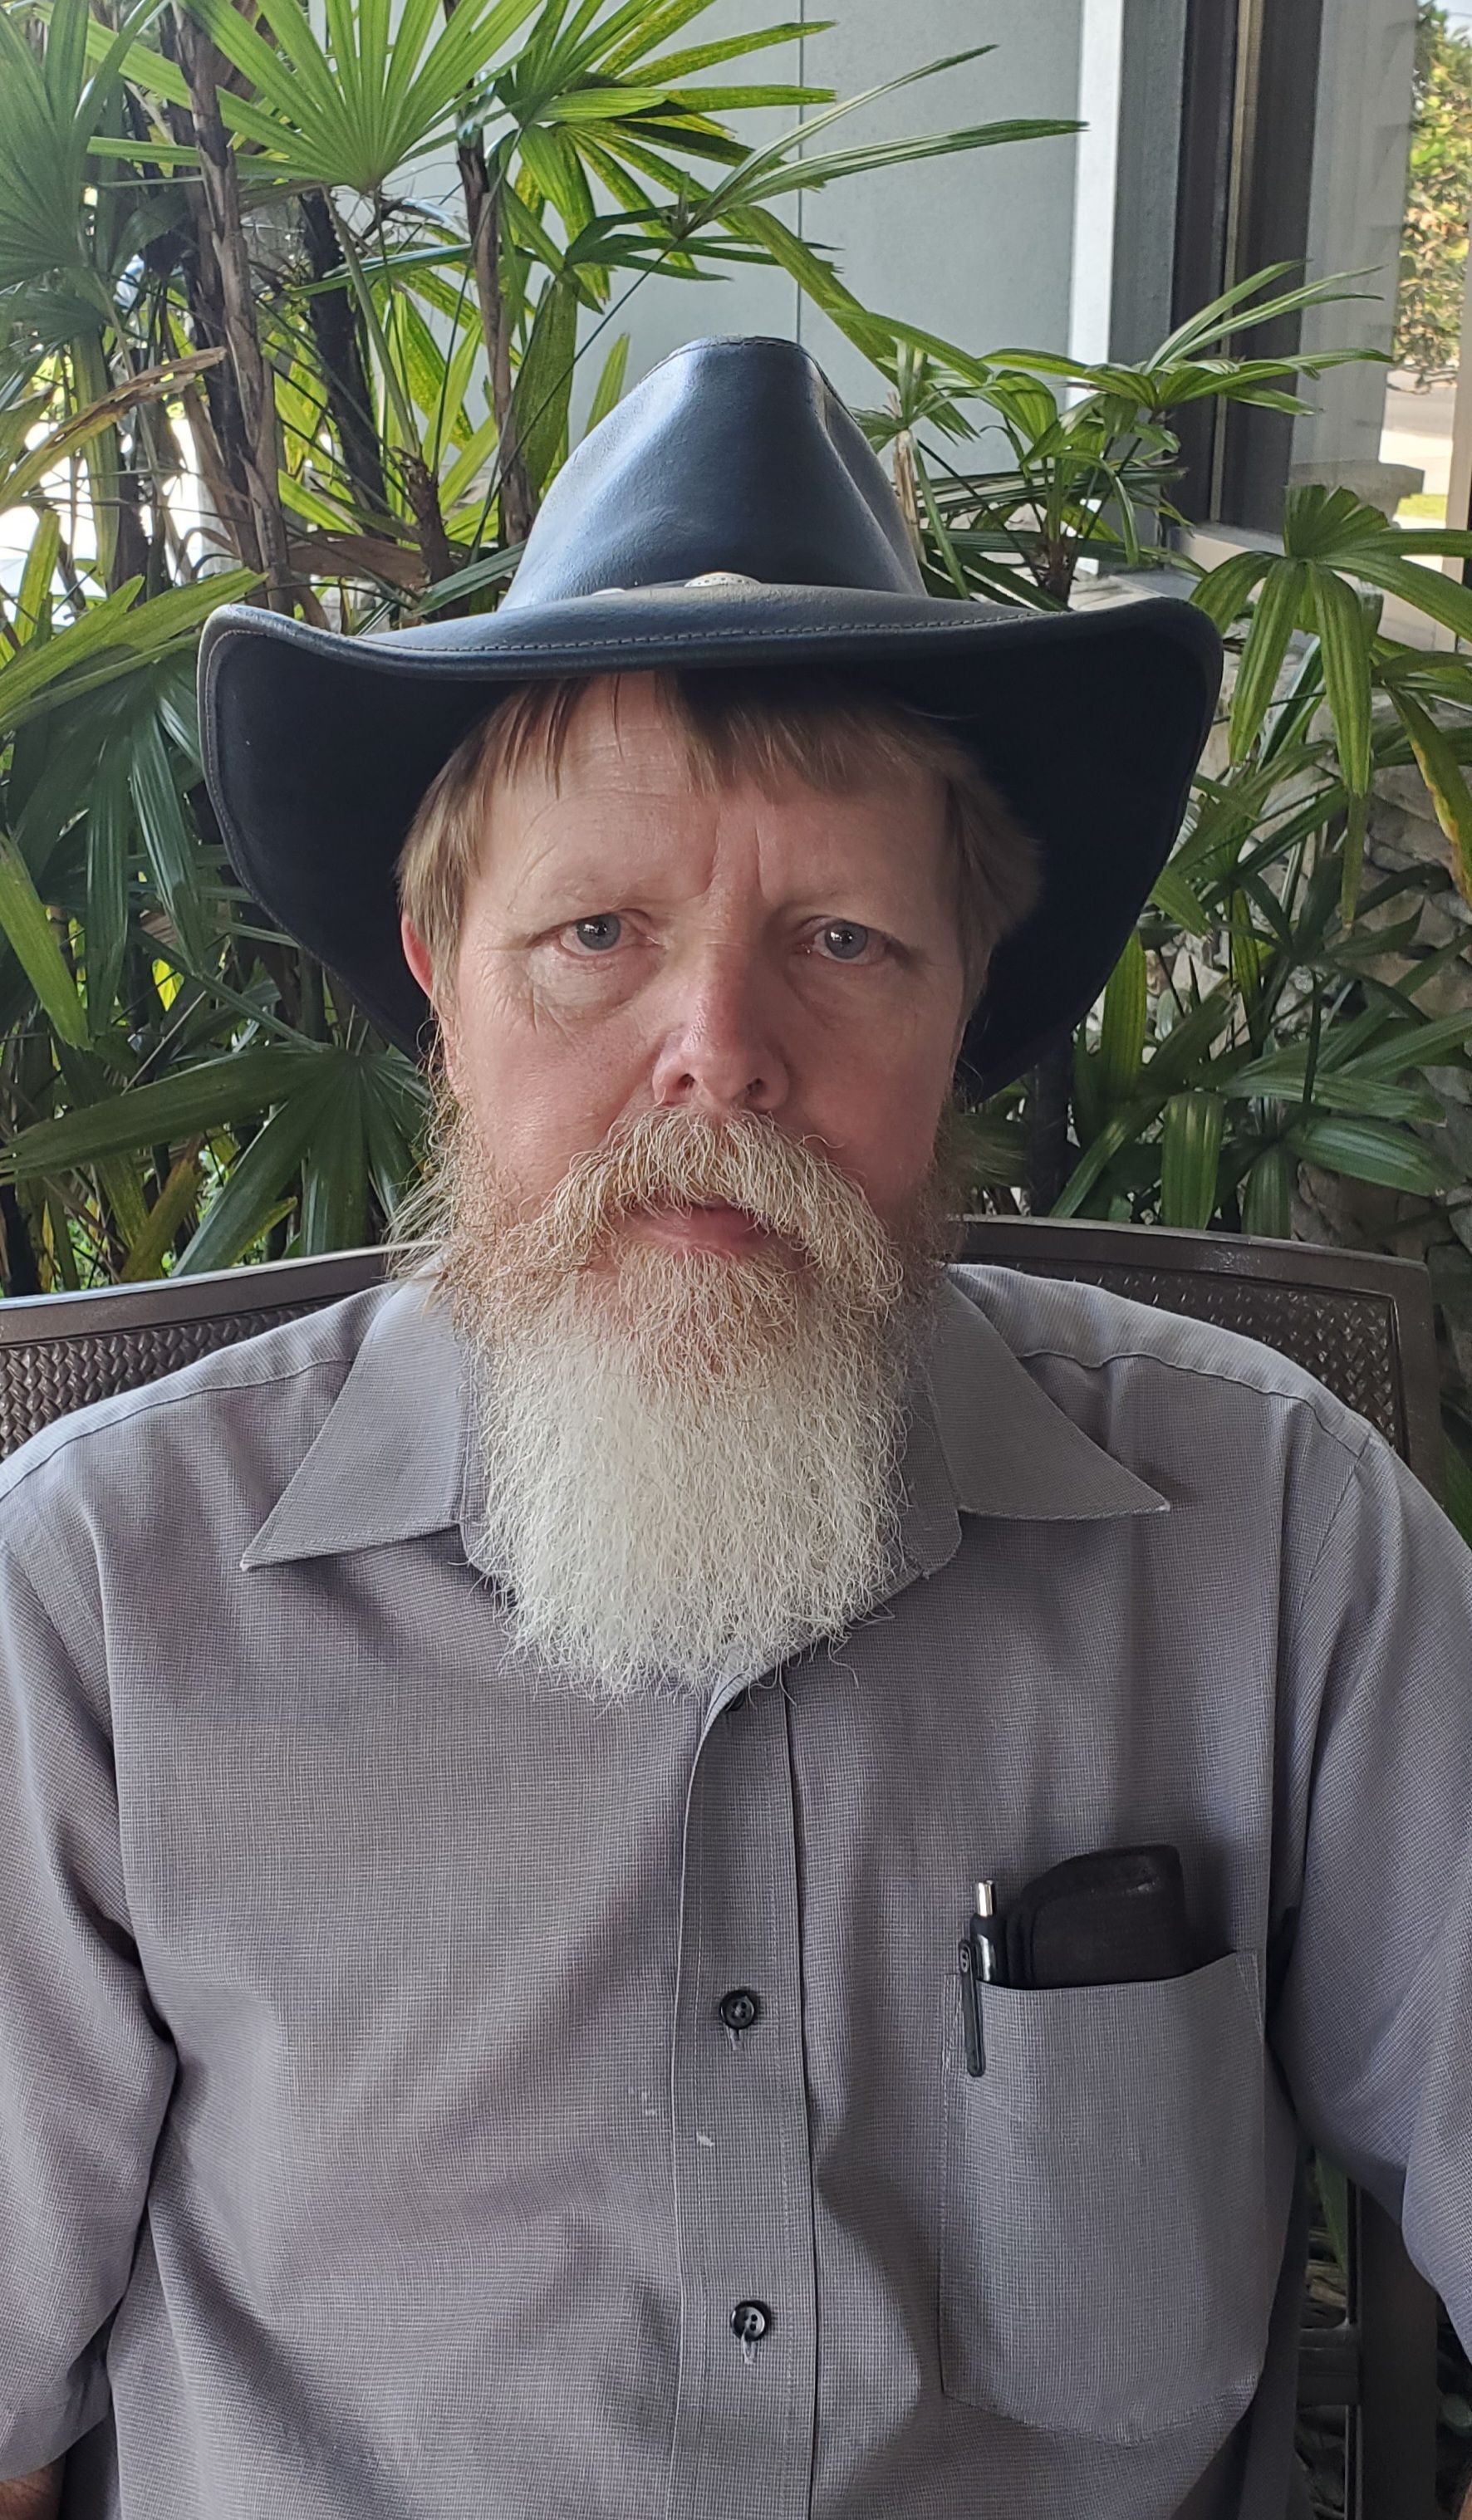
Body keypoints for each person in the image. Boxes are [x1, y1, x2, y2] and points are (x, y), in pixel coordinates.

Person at [1, 334, 1470, 2520]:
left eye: (845, 940)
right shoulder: (94, 1593)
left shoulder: (1279, 1537)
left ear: (964, 1001)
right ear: (435, 973)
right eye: (596, 931)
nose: (720, 1055)